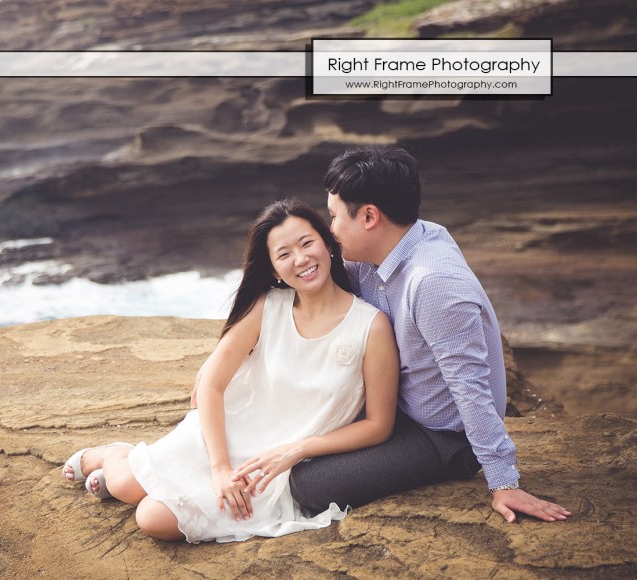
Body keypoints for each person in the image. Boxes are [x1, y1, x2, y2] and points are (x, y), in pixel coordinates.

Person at [62, 198, 399, 543]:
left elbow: (378, 425)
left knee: (152, 518)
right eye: (284, 254)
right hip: (222, 437)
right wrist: (220, 468)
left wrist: (298, 450)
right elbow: (211, 384)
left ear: (327, 245)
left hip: (272, 465)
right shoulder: (266, 306)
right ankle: (116, 455)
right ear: (272, 269)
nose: (300, 259)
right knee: (123, 483)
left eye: (307, 243)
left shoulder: (371, 326)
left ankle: (130, 466)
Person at [287, 145, 570, 524]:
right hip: (390, 405)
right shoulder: (386, 249)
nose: (330, 229)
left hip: (440, 435)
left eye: (335, 217)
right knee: (282, 431)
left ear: (369, 216)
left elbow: (470, 386)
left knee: (308, 485)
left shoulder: (434, 282)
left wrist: (504, 481)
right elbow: (316, 282)